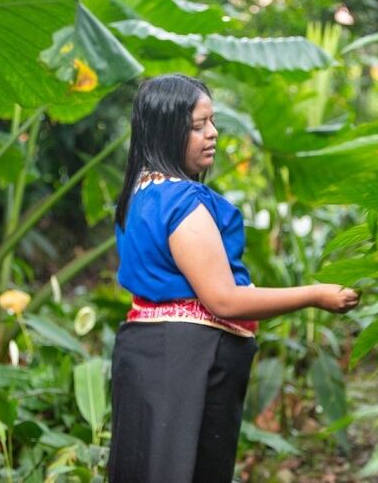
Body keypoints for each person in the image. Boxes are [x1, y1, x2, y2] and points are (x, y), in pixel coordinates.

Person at [108, 74, 360, 483]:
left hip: (149, 353)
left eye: (211, 121)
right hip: (187, 362)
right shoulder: (183, 204)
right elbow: (222, 299)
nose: (212, 134)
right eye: (196, 126)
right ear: (167, 129)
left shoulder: (139, 195)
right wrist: (315, 295)